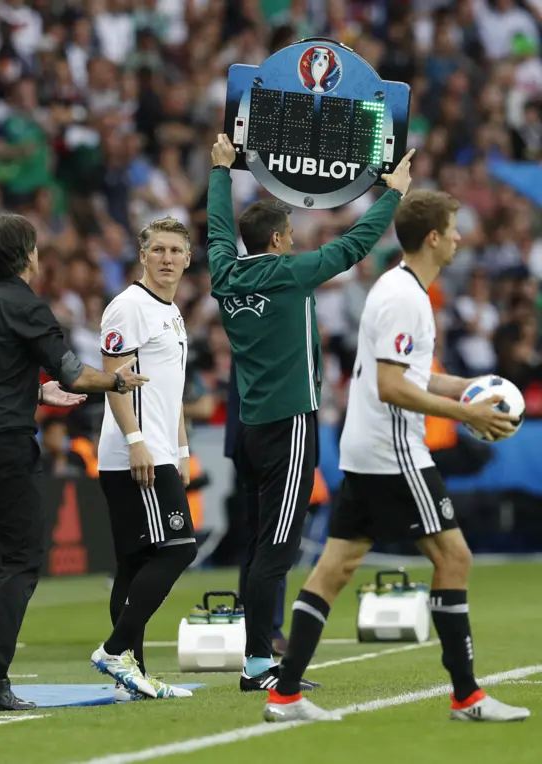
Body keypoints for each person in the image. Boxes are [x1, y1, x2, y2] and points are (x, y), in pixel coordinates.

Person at [263, 189, 531, 723]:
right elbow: (391, 387)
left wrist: (466, 386)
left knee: (335, 567)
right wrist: (468, 415)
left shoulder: (397, 287)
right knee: (454, 558)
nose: (459, 237)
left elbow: (409, 375)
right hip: (393, 449)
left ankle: (285, 695)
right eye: (453, 228)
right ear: (433, 237)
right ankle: (468, 697)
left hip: (367, 445)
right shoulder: (407, 298)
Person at [207, 133, 415, 692]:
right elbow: (354, 247)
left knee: (259, 544)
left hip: (250, 425)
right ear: (277, 239)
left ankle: (255, 662)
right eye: (290, 233)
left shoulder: (224, 275)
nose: (295, 239)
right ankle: (261, 664)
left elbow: (218, 233)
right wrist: (391, 195)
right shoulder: (286, 273)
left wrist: (221, 172)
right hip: (291, 420)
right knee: (279, 547)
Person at [0, 213, 147, 712]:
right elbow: (77, 373)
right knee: (23, 558)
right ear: (27, 255)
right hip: (5, 445)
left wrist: (36, 392)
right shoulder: (27, 306)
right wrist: (118, 382)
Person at [91, 216, 197, 700]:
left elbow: (170, 391)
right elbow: (115, 379)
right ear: (142, 254)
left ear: (188, 258)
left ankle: (132, 676)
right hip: (133, 452)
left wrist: (182, 449)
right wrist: (137, 440)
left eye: (176, 250)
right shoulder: (128, 307)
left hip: (158, 448)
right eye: (159, 250)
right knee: (179, 549)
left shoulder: (171, 311)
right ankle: (116, 650)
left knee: (135, 564)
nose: (168, 259)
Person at [225, 358, 289, 657]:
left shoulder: (247, 328)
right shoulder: (270, 335)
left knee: (257, 538)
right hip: (266, 437)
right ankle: (267, 631)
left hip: (244, 438)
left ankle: (254, 629)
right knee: (274, 537)